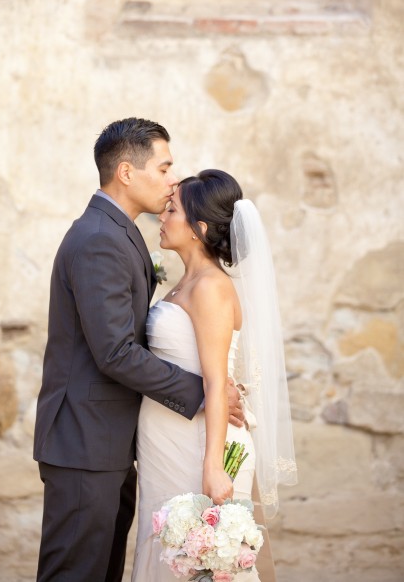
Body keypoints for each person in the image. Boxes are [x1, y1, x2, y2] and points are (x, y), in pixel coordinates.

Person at [33, 119, 244, 582]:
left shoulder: (119, 233)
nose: (173, 181)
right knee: (75, 572)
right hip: (85, 442)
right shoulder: (99, 240)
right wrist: (205, 391)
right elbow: (114, 352)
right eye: (165, 167)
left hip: (112, 441)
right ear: (127, 173)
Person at [132, 169, 297, 582]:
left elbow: (215, 379)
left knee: (200, 561)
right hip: (165, 443)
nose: (162, 217)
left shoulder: (210, 287)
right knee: (163, 555)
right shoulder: (181, 285)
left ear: (199, 228)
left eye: (172, 210)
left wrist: (213, 467)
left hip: (199, 446)